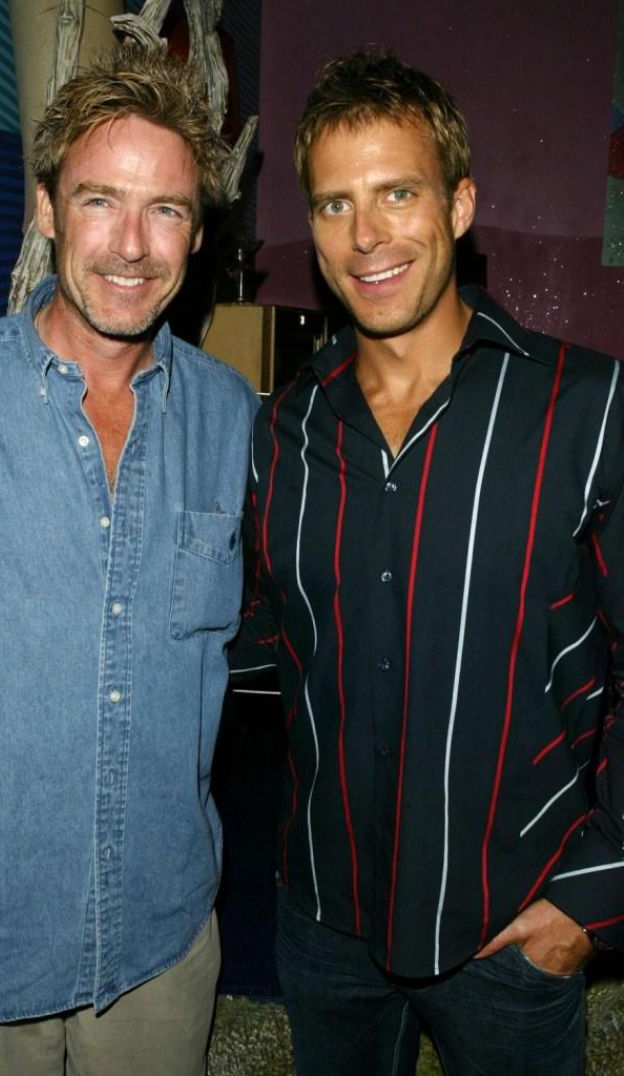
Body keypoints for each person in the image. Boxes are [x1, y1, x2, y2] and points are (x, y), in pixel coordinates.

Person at [232, 50, 624, 1075]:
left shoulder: (587, 411)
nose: (366, 235)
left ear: (459, 205)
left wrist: (589, 898)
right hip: (324, 915)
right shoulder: (284, 430)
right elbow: (262, 640)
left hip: (512, 925)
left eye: (397, 193)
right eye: (335, 204)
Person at [0, 43, 258, 1076]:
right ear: (47, 209)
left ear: (198, 230)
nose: (131, 246)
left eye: (166, 209)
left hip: (160, 945)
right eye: (100, 201)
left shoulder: (232, 418)